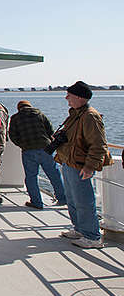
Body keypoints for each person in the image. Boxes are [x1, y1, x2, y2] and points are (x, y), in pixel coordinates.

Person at [54, 81, 112, 248]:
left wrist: (90, 167)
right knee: (72, 199)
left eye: (69, 95)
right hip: (69, 162)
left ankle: (92, 236)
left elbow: (98, 145)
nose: (66, 98)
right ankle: (80, 229)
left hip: (80, 165)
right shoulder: (76, 115)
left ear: (80, 97)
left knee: (84, 201)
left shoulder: (90, 116)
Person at [8, 100, 66, 209]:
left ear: (19, 108)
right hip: (46, 149)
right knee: (54, 174)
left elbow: (12, 135)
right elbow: (50, 130)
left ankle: (37, 202)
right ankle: (62, 199)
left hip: (28, 150)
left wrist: (22, 144)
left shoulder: (16, 118)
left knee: (31, 177)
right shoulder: (39, 114)